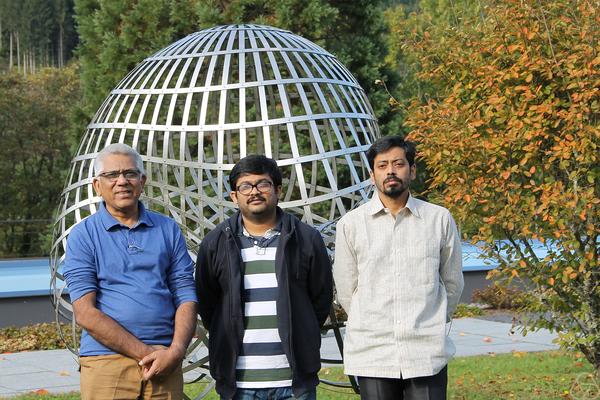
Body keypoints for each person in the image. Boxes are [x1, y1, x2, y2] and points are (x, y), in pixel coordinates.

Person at [333, 136, 464, 400]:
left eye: (398, 164)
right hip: (373, 350)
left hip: (425, 349)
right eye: (382, 166)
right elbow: (347, 289)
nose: (390, 171)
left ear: (412, 170)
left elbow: (452, 282)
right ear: (372, 175)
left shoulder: (439, 219)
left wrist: (433, 320)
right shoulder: (351, 225)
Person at [63, 143, 197, 400]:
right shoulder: (83, 235)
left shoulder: (167, 230)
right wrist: (144, 352)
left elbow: (186, 294)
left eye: (130, 174)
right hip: (106, 362)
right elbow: (85, 313)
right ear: (97, 185)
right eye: (112, 175)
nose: (122, 181)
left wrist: (176, 351)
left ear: (142, 180)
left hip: (164, 359)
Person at [195, 155, 333, 400]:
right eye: (245, 186)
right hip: (239, 383)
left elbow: (320, 299)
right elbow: (208, 304)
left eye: (263, 184)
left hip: (294, 382)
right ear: (234, 196)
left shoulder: (306, 239)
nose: (254, 192)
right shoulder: (215, 243)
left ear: (278, 190)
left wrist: (302, 326)